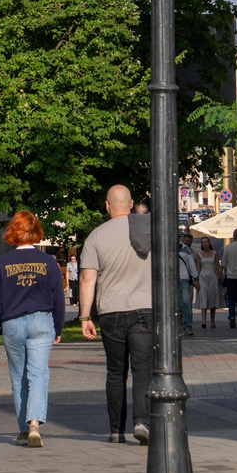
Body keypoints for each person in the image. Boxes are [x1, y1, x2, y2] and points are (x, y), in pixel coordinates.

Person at [0, 210, 65, 448]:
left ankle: (22, 429)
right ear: (36, 233)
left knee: (18, 378)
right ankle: (35, 424)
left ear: (13, 233)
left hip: (13, 323)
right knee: (38, 374)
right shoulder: (48, 262)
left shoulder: (3, 263)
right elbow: (57, 297)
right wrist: (58, 327)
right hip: (41, 321)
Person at [79, 185, 155, 446]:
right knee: (143, 369)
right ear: (132, 204)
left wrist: (84, 317)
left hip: (110, 311)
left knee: (115, 372)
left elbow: (88, 280)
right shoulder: (148, 231)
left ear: (107, 205)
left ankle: (115, 430)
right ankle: (142, 421)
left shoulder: (96, 236)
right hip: (145, 308)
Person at [196, 237, 222, 330]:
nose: (204, 244)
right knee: (204, 297)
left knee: (212, 297)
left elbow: (218, 266)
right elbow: (198, 268)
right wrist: (196, 280)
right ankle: (203, 321)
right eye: (202, 242)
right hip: (203, 277)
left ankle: (212, 320)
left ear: (209, 243)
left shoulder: (214, 253)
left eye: (206, 242)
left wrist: (221, 277)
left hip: (213, 277)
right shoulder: (199, 254)